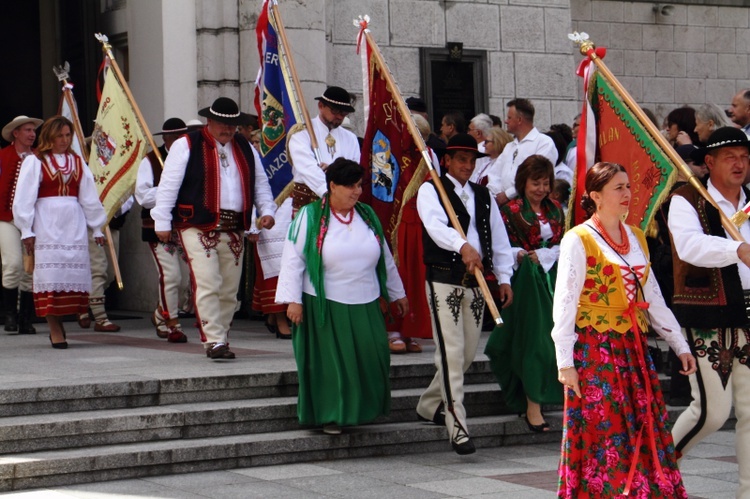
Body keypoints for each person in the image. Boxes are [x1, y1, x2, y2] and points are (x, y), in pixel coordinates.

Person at [552, 162, 696, 498]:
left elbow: (654, 297)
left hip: (632, 346)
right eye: (618, 188)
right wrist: (565, 362)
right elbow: (565, 303)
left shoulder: (636, 237)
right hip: (595, 348)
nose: (627, 193)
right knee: (606, 430)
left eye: (628, 186)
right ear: (595, 196)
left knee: (641, 426)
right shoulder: (579, 239)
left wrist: (680, 344)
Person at [275, 158, 408, 435]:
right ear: (332, 186)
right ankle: (332, 415)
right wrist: (293, 300)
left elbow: (385, 256)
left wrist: (397, 293)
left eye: (359, 185)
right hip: (325, 303)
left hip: (366, 299)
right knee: (334, 365)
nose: (356, 191)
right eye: (350, 186)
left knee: (372, 357)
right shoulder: (310, 216)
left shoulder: (367, 214)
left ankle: (361, 410)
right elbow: (292, 258)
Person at [151, 97, 276, 360]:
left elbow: (260, 183)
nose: (228, 130)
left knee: (229, 289)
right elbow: (168, 186)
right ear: (210, 121)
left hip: (234, 228)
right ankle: (214, 340)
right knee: (208, 282)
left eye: (233, 125)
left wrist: (266, 211)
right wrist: (161, 221)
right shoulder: (187, 144)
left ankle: (222, 335)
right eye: (223, 124)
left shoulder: (245, 147)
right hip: (196, 224)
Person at [416, 133, 514, 455]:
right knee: (451, 352)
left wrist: (504, 276)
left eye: (472, 160)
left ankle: (430, 404)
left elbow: (498, 239)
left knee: (467, 354)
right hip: (444, 278)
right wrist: (462, 246)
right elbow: (435, 227)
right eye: (461, 159)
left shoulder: (483, 195)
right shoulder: (431, 190)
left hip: (476, 283)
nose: (467, 166)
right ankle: (457, 425)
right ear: (446, 160)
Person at [669, 127, 750, 496]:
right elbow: (688, 246)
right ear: (709, 162)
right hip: (708, 316)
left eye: (745, 156)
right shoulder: (688, 199)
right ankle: (657, 468)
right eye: (731, 156)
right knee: (711, 413)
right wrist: (736, 250)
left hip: (749, 312)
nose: (740, 163)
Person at [12, 115, 107, 349]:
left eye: (68, 135)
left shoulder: (77, 161)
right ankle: (55, 328)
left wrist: (97, 226)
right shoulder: (34, 161)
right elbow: (23, 198)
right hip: (46, 224)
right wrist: (26, 230)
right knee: (49, 279)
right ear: (49, 137)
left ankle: (61, 323)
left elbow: (88, 196)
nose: (64, 140)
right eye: (59, 136)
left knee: (69, 279)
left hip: (72, 224)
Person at [485, 155, 564, 432]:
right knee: (534, 342)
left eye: (545, 183)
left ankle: (539, 398)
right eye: (535, 183)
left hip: (553, 279)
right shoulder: (510, 210)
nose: (541, 188)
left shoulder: (555, 209)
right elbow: (502, 245)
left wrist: (548, 253)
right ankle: (532, 406)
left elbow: (562, 240)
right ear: (523, 182)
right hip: (524, 282)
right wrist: (522, 255)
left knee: (553, 340)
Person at [134, 117, 189, 343]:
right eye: (173, 136)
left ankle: (159, 312)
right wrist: (169, 188)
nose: (178, 140)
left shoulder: (191, 157)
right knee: (171, 275)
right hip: (158, 228)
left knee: (186, 280)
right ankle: (171, 321)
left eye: (181, 136)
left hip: (187, 226)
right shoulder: (150, 161)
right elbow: (143, 197)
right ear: (165, 138)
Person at [0, 115, 42, 334]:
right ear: (15, 133)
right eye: (27, 130)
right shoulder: (2, 156)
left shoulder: (39, 157)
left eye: (33, 130)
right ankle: (10, 315)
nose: (32, 134)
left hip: (33, 221)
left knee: (30, 271)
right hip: (5, 217)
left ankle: (25, 318)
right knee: (13, 265)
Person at [287, 86, 360, 212]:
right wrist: (330, 194)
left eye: (343, 113)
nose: (339, 117)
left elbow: (354, 171)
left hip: (342, 202)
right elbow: (307, 168)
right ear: (321, 106)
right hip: (308, 206)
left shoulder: (351, 138)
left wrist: (332, 170)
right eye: (335, 111)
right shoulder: (302, 133)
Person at [487, 98, 557, 206]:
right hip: (503, 206)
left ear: (519, 120)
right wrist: (496, 194)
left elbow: (538, 176)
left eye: (509, 118)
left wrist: (508, 194)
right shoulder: (510, 146)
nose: (506, 121)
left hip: (529, 206)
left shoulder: (543, 142)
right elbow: (494, 174)